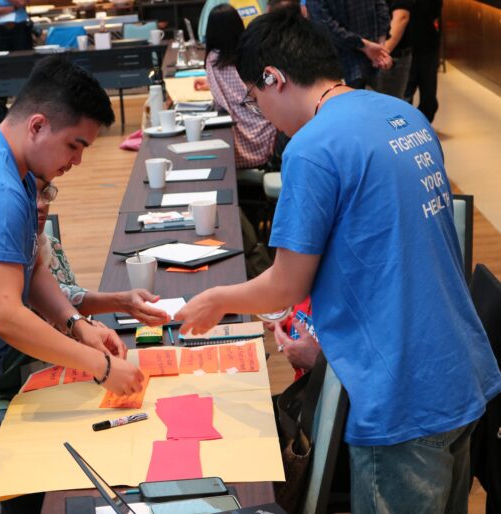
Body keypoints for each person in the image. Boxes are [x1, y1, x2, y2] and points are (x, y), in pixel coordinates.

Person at [176, 8, 501, 512]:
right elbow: (388, 253)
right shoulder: (403, 114)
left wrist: (216, 298)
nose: (262, 113)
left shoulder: (312, 147)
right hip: (461, 371)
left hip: (400, 394)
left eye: (256, 99)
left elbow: (285, 285)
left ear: (273, 78)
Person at [0, 55, 145, 514]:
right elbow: (3, 314)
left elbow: (29, 264)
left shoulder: (7, 161)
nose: (78, 162)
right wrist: (99, 367)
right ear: (38, 125)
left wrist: (77, 323)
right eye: (74, 146)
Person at [36, 179, 170, 325]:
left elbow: (71, 303)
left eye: (45, 194)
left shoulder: (52, 245)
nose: (41, 205)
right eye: (30, 196)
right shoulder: (15, 262)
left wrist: (89, 324)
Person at [199, 4, 277, 170]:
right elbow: (251, 90)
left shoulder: (214, 59)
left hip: (238, 132)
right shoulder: (252, 52)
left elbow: (222, 100)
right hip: (267, 128)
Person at [306, 0, 393, 88]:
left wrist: (369, 47)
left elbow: (326, 27)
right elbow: (382, 8)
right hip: (374, 60)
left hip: (340, 65)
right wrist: (379, 47)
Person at [403, 0, 442, 122]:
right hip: (405, 47)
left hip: (428, 45)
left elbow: (435, 11)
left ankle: (422, 124)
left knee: (429, 96)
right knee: (405, 93)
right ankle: (407, 126)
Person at [374, 0, 413, 98]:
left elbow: (401, 17)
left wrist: (380, 55)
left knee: (387, 107)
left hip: (389, 58)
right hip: (369, 55)